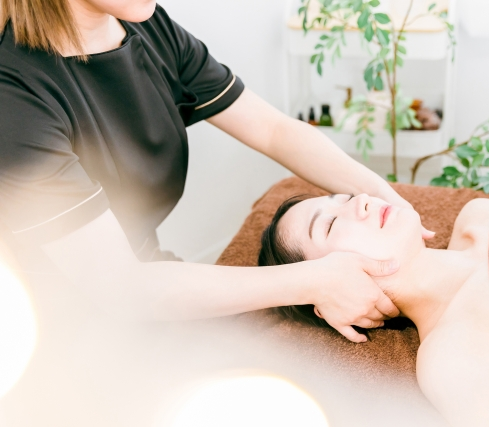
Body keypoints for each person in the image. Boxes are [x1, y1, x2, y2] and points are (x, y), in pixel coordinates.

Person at [0, 0, 435, 343]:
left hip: (151, 277)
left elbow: (273, 130)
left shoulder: (146, 26)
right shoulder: (14, 97)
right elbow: (120, 287)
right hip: (61, 324)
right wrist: (313, 281)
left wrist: (388, 198)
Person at [258, 183, 489, 426]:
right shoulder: (452, 357)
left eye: (343, 197)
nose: (360, 201)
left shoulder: (478, 214)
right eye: (328, 225)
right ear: (328, 292)